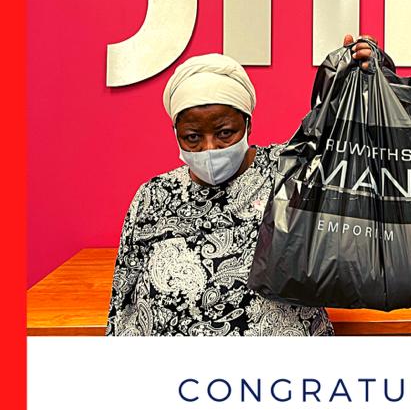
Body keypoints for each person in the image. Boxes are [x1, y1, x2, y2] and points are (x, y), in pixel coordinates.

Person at [106, 36, 375, 336]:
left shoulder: (291, 172)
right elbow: (123, 300)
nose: (209, 148)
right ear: (175, 133)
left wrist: (369, 85)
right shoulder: (153, 197)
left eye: (225, 133)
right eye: (192, 137)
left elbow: (362, 158)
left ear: (248, 124)